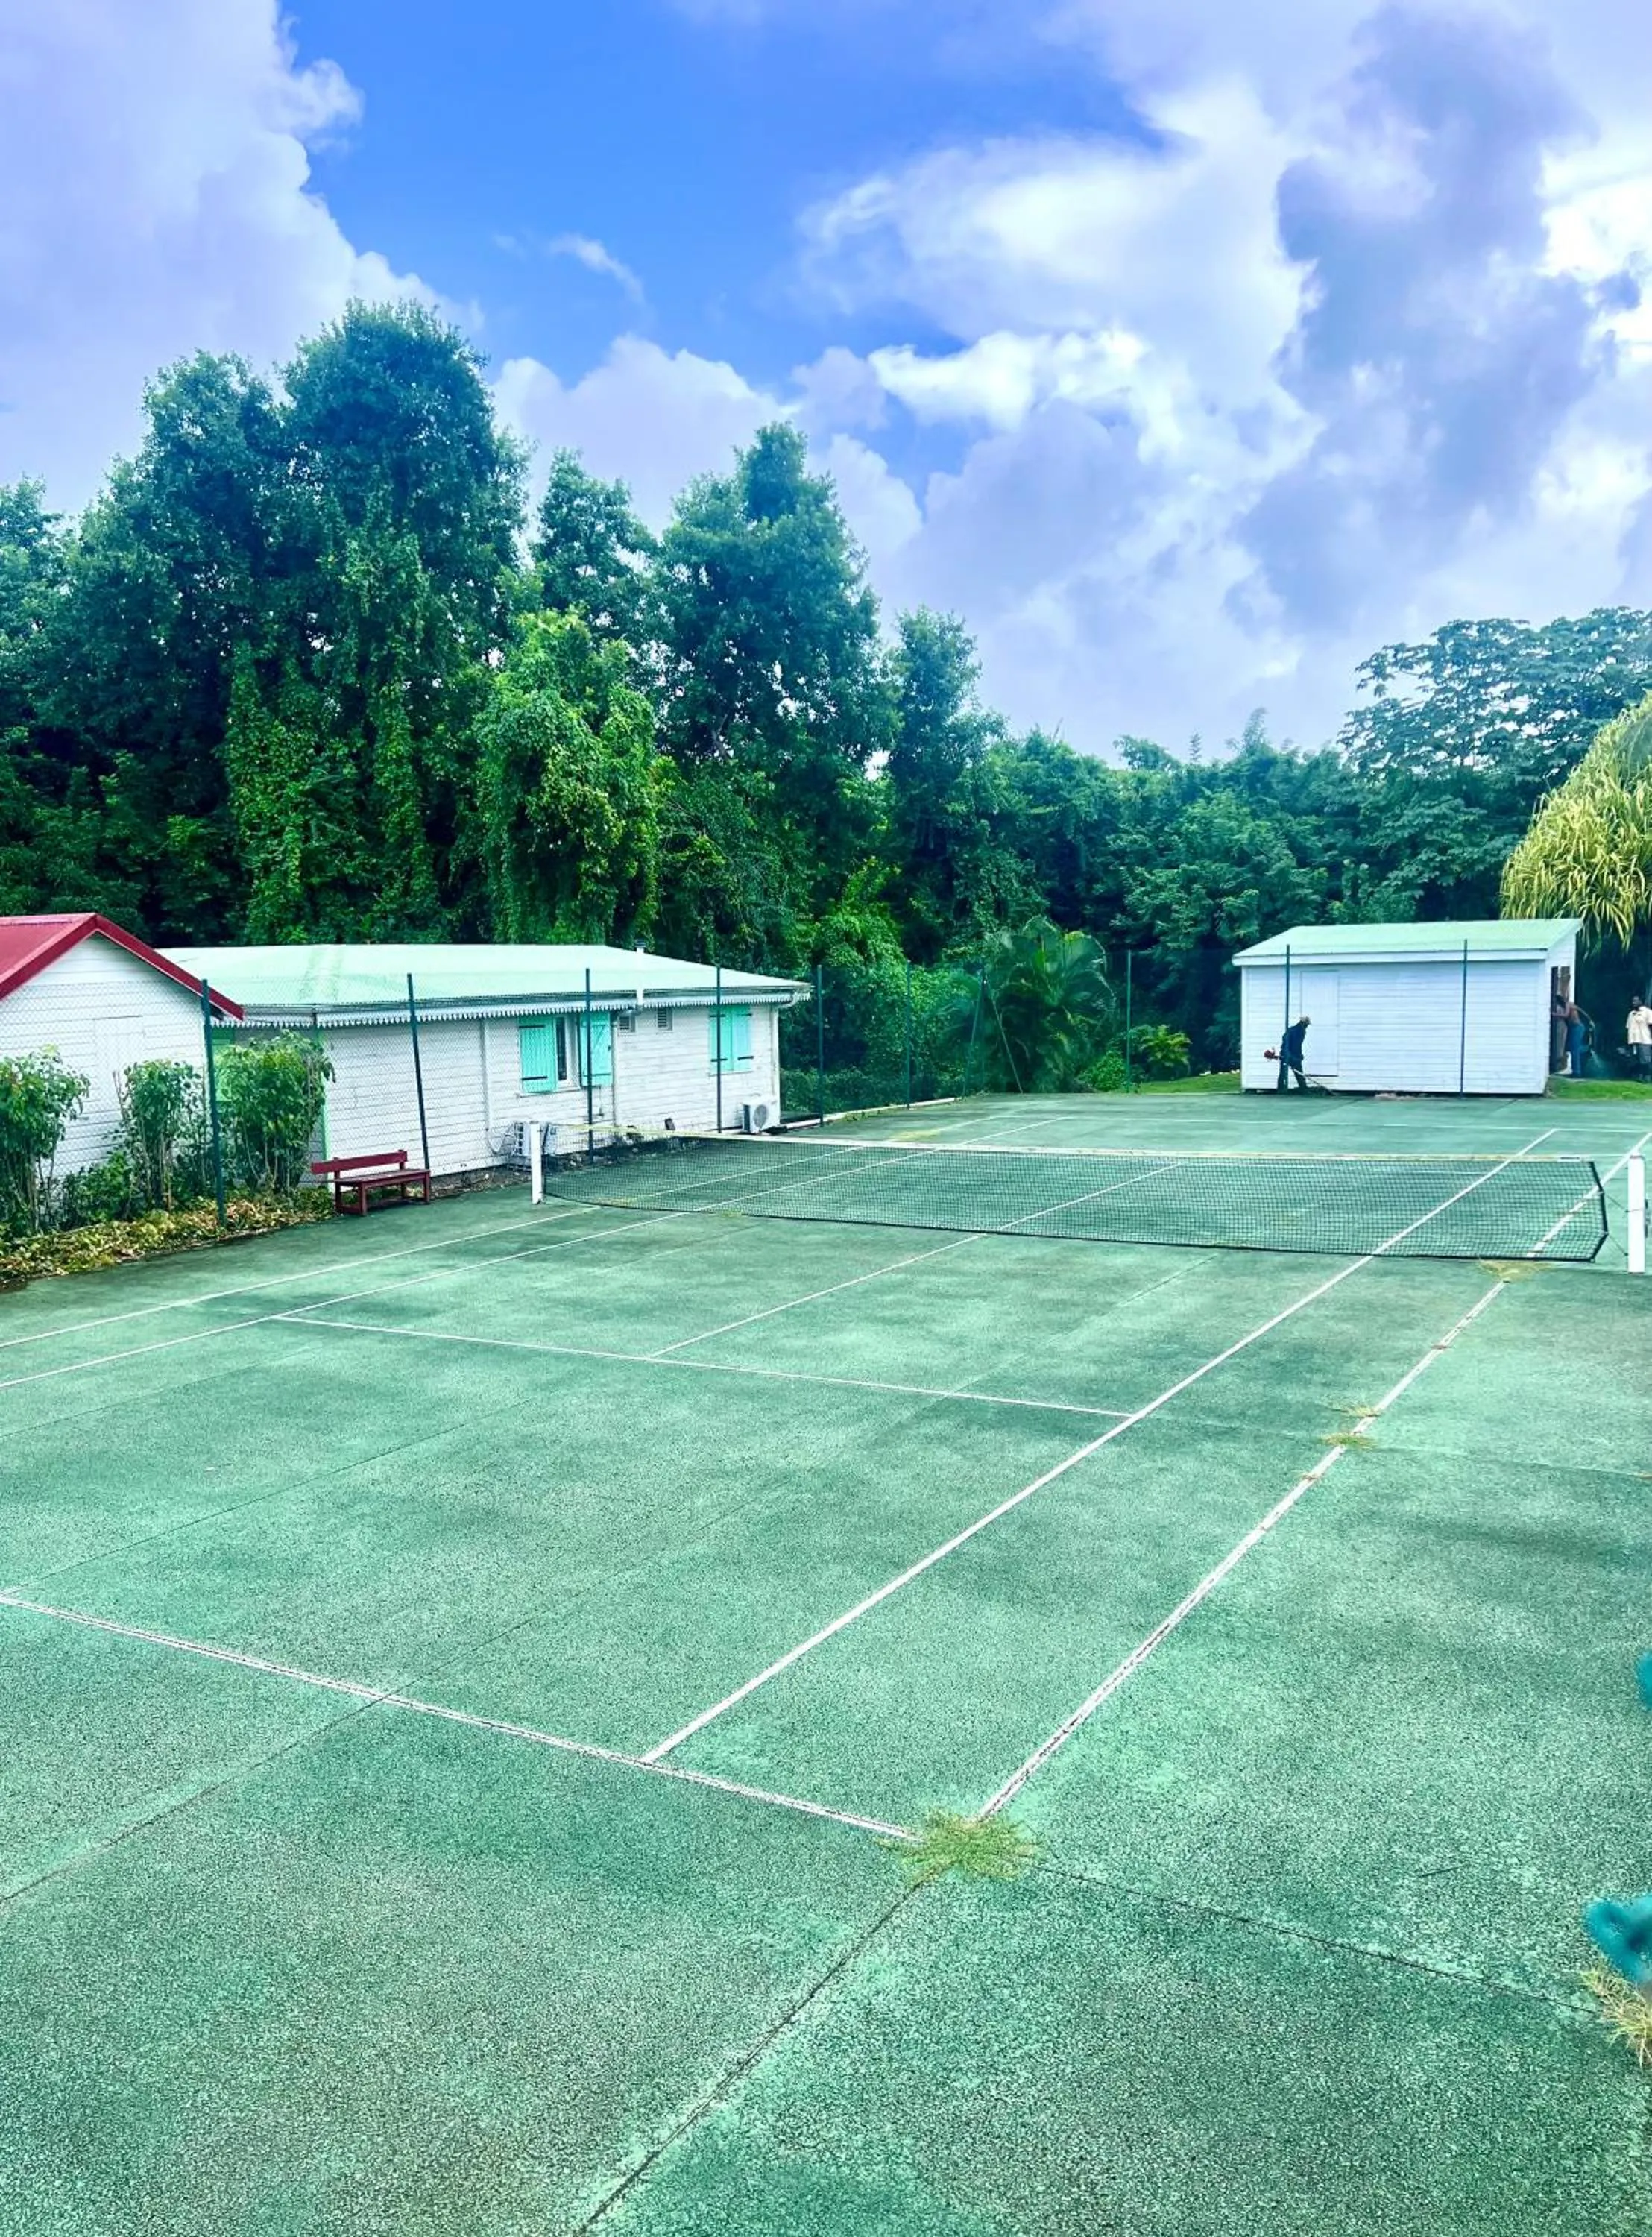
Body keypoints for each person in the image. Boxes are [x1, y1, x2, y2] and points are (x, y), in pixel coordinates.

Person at [1278, 1015, 1311, 1091]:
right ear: (1304, 1024)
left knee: (1283, 1074)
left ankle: (1281, 1089)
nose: (1307, 1026)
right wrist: (1299, 1055)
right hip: (1292, 1054)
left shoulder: (1291, 1029)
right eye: (1307, 1025)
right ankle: (1303, 1088)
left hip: (1285, 1053)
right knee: (1299, 1072)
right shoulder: (1301, 1031)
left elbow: (1285, 1040)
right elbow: (1297, 1045)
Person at [1563, 1001, 1590, 1079]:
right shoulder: (1572, 1005)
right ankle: (1576, 1071)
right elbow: (1583, 1012)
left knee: (1575, 1050)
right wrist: (1590, 1020)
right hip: (1578, 1027)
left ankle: (1577, 1072)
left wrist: (1554, 1014)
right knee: (1574, 1049)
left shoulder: (1567, 1004)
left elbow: (1566, 1015)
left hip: (1576, 1028)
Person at [1628, 995, 1652, 1079]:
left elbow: (1651, 1025)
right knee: (1636, 1060)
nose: (1634, 1003)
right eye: (1633, 1001)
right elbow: (1628, 1027)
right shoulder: (1631, 1014)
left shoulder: (1648, 1012)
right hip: (1633, 1041)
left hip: (1644, 1040)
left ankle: (1647, 1076)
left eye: (1636, 1001)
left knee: (1646, 1060)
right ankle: (1639, 1076)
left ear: (1640, 1001)